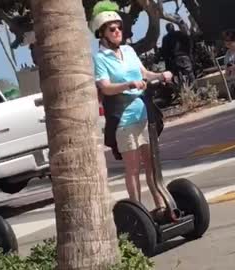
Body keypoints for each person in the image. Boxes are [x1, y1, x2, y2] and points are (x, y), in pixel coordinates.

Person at [90, 2, 173, 220]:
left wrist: (160, 75)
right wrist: (128, 85)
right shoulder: (99, 59)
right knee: (133, 169)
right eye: (112, 29)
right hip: (123, 119)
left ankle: (161, 205)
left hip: (143, 114)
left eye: (119, 27)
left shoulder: (128, 50)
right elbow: (105, 87)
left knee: (152, 165)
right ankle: (139, 213)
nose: (118, 31)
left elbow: (144, 73)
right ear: (102, 33)